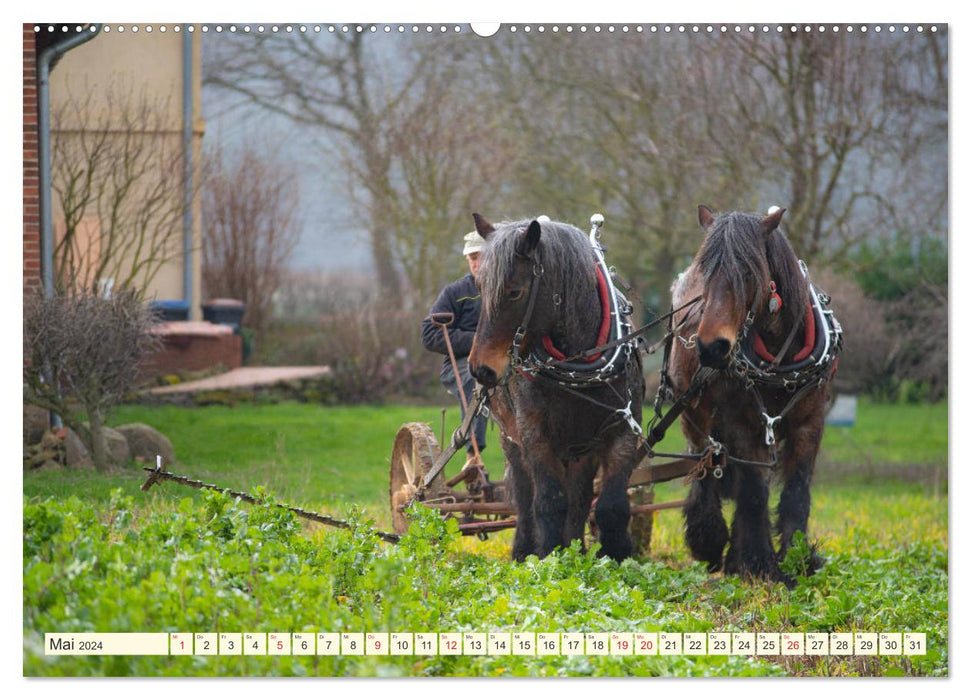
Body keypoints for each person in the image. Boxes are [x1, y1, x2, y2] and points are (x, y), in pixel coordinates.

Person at [421, 230, 489, 468]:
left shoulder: (509, 290)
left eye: (483, 256)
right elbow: (429, 334)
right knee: (475, 378)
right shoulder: (455, 293)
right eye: (473, 258)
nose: (478, 263)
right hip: (462, 364)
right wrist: (478, 340)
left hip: (505, 361)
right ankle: (473, 456)